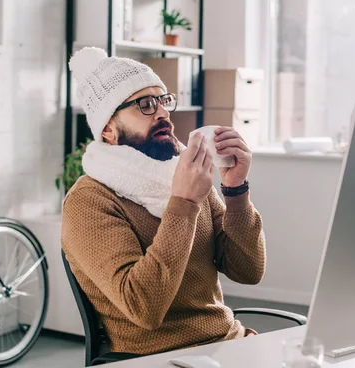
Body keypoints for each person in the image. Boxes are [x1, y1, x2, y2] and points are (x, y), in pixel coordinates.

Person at [61, 47, 266, 356]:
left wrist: (235, 191)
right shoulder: (90, 200)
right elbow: (143, 308)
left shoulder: (183, 175)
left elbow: (248, 271)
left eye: (163, 101)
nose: (161, 113)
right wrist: (183, 203)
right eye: (144, 105)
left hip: (227, 345)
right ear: (107, 129)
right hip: (160, 357)